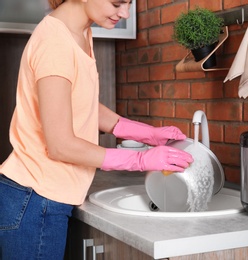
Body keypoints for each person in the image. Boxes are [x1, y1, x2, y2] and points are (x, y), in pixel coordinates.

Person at [0, 0, 193, 259]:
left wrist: (144, 133)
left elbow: (79, 101)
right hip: (35, 199)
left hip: (42, 196)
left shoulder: (79, 31)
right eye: (117, 3)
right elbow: (61, 145)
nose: (124, 13)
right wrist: (139, 159)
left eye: (128, 4)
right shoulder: (55, 44)